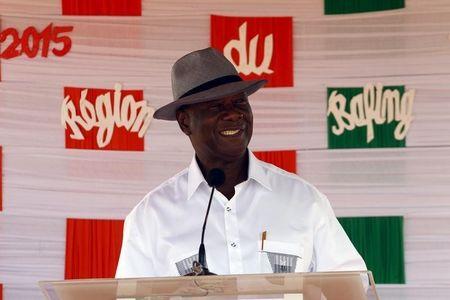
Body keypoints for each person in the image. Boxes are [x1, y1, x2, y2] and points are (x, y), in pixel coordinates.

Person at [115, 47, 366, 278]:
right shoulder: (151, 216)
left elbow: (351, 288)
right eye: (215, 106)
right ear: (185, 122)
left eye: (239, 102)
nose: (234, 114)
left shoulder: (304, 199)